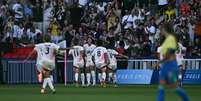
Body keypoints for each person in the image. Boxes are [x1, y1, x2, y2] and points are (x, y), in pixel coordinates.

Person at [157, 22, 190, 101]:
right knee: (161, 87)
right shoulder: (166, 40)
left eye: (161, 29)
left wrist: (159, 62)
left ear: (165, 29)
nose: (160, 31)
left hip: (171, 66)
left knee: (174, 87)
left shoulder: (171, 39)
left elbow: (170, 53)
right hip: (166, 66)